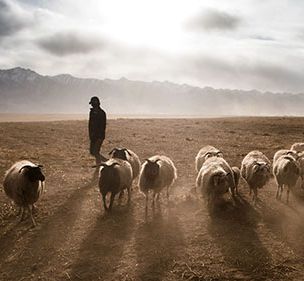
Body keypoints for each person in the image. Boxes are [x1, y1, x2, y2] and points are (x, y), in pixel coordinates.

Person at [88, 96, 107, 165]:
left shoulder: (102, 113)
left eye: (93, 103)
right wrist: (91, 135)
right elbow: (90, 125)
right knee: (92, 152)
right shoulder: (92, 112)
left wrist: (99, 137)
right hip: (93, 136)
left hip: (99, 136)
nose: (92, 105)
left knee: (95, 152)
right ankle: (106, 161)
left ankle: (100, 165)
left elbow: (103, 126)